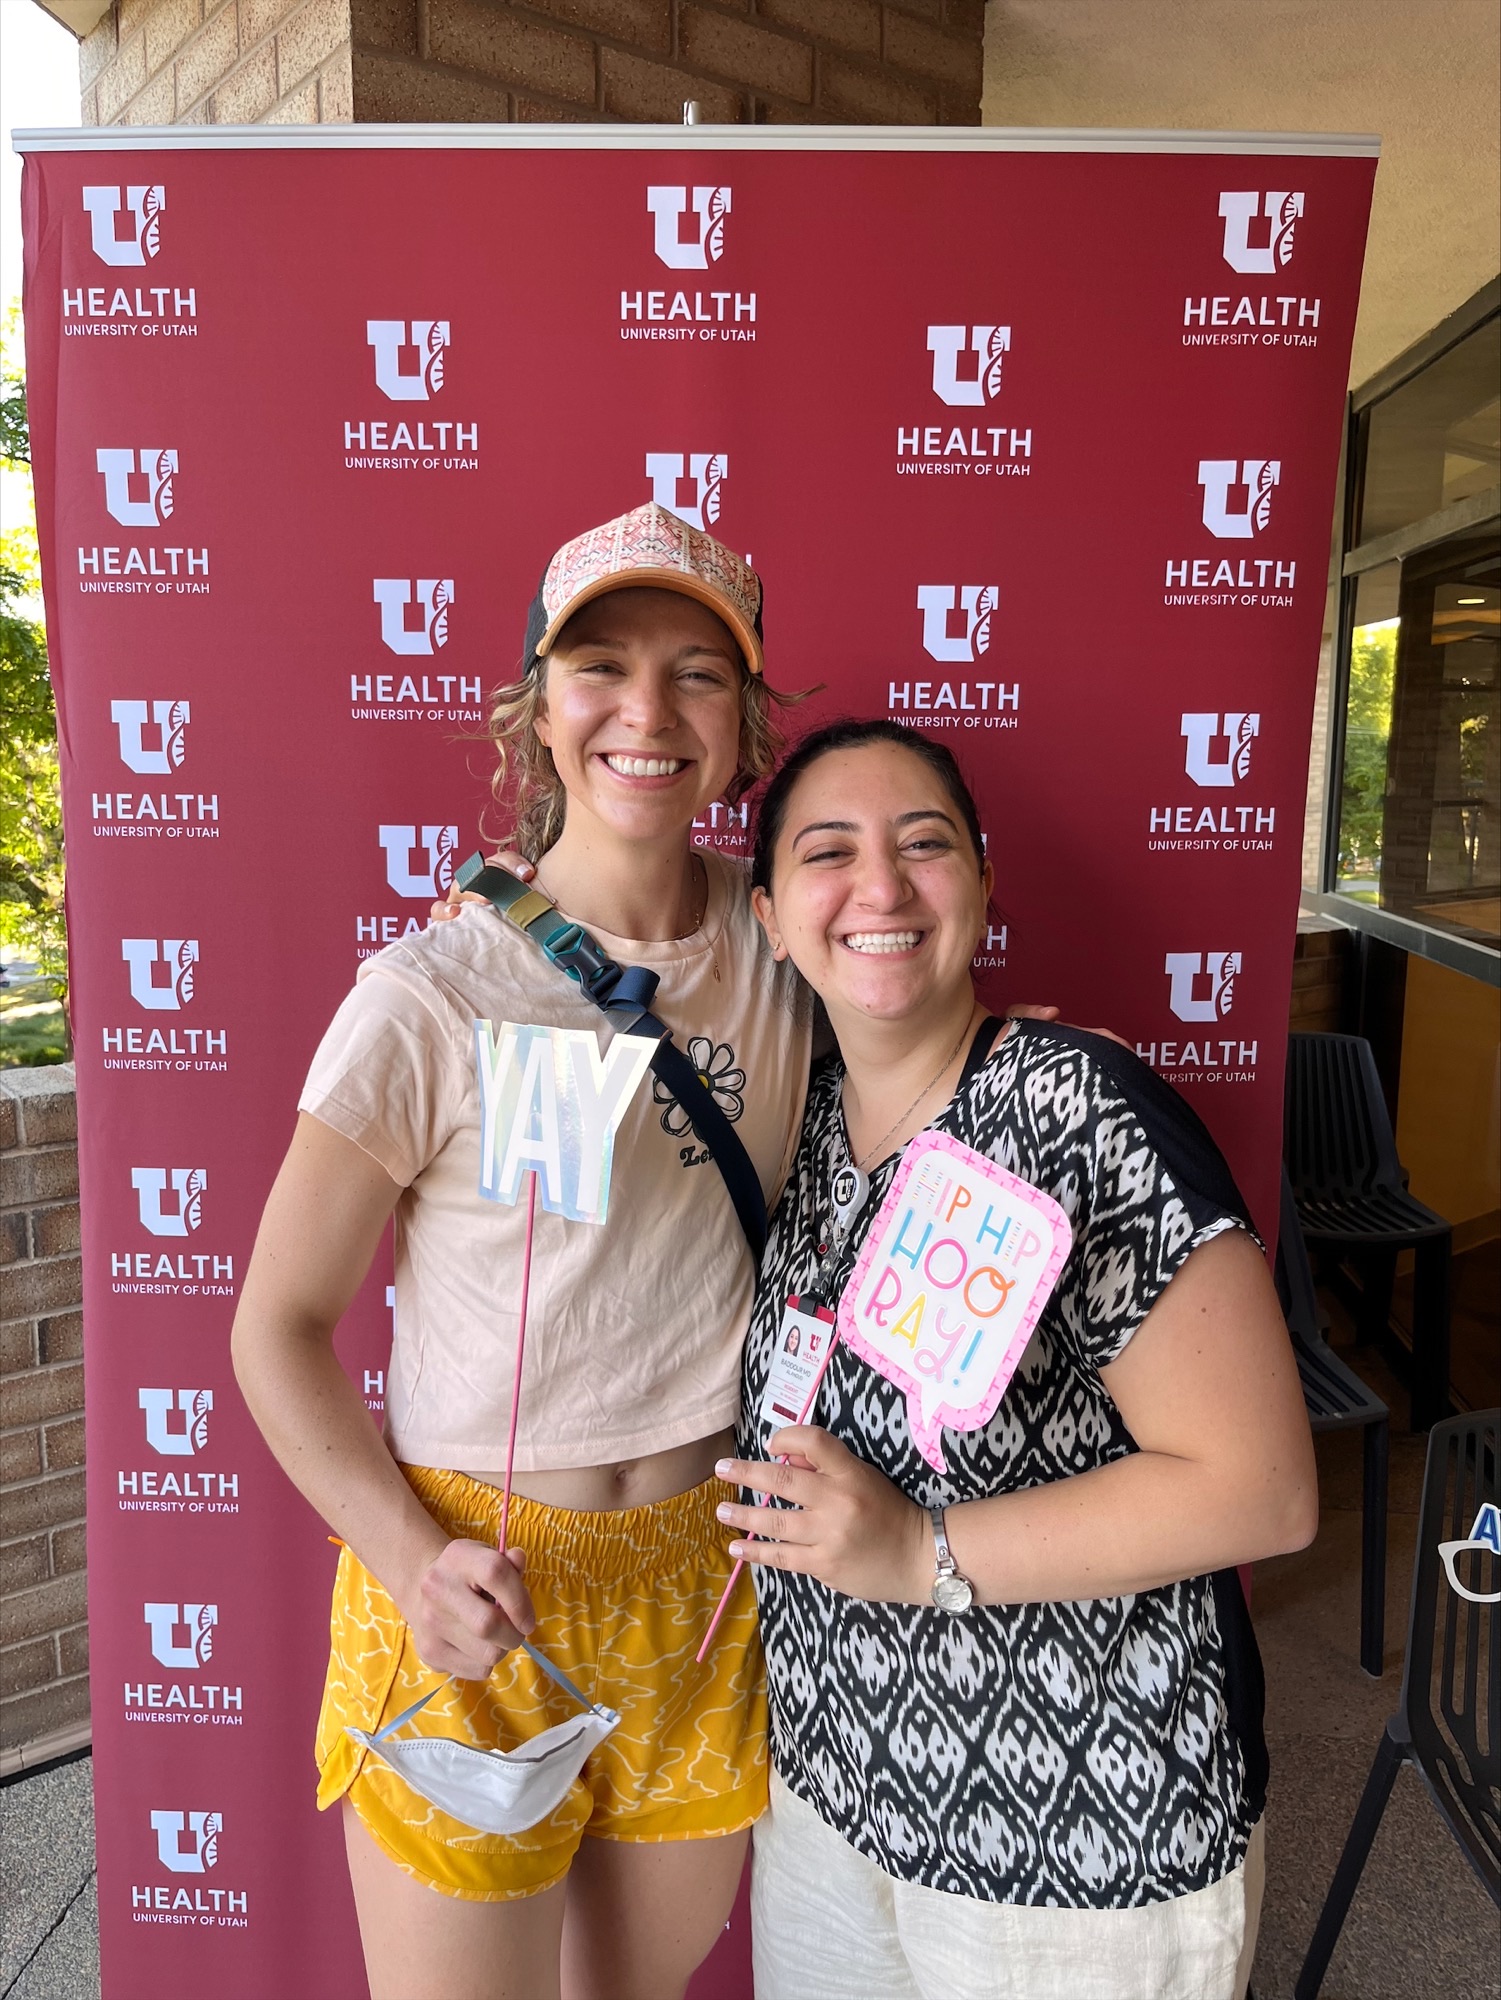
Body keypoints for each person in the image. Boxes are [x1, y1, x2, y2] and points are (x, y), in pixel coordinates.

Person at [231, 503, 814, 2000]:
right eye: (601, 665)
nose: (647, 710)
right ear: (538, 709)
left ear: (744, 727)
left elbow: (924, 1038)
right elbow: (277, 1327)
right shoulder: (432, 991)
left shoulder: (788, 947)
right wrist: (413, 1561)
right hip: (474, 1581)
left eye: (697, 673)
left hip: (702, 1585)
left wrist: (1025, 1063)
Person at [714, 718, 1318, 2000]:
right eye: (829, 854)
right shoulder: (810, 1130)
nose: (879, 887)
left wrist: (918, 1550)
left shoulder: (1081, 1110)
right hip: (833, 1803)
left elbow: (1258, 1485)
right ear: (770, 917)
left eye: (922, 844)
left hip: (1079, 1843)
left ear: (981, 883)